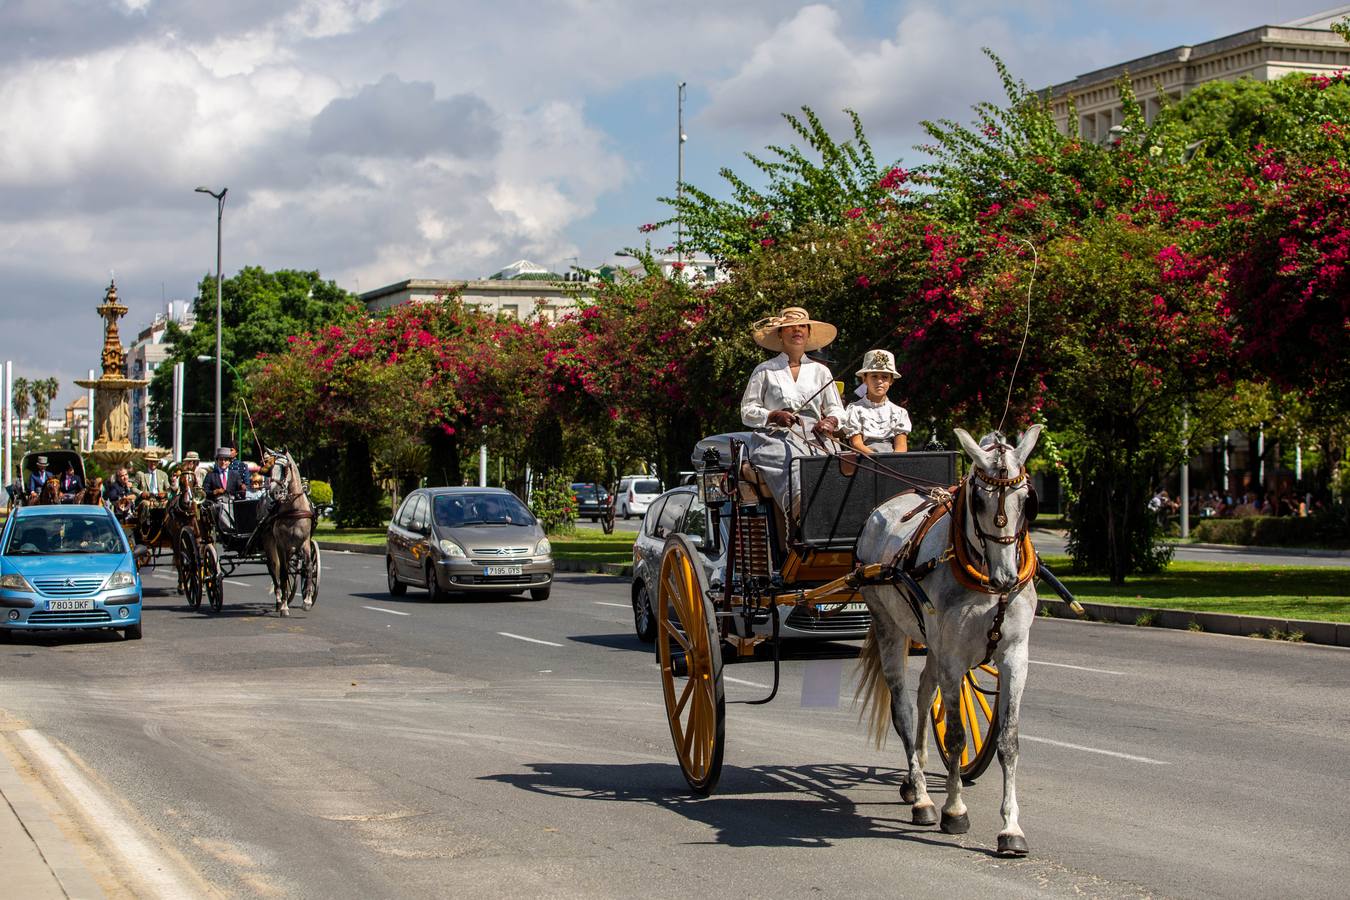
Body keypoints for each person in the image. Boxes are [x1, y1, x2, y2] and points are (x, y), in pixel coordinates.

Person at [739, 306, 844, 514]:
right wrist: (772, 415)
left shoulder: (821, 371)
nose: (797, 330)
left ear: (808, 332)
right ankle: (801, 511)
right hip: (774, 439)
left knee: (840, 464)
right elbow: (747, 410)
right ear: (780, 333)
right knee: (795, 464)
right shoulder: (764, 370)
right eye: (790, 327)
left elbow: (837, 410)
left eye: (802, 326)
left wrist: (830, 421)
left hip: (815, 437)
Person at [841, 349, 911, 454]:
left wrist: (892, 462)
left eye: (885, 377)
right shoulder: (855, 409)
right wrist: (876, 459)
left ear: (891, 381)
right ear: (864, 379)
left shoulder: (899, 412)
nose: (879, 381)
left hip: (891, 463)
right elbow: (856, 443)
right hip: (865, 461)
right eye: (874, 376)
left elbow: (901, 446)